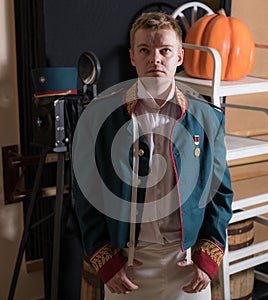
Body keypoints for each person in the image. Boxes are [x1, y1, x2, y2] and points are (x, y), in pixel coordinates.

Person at [73, 11, 233, 300]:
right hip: (126, 266)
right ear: (133, 57)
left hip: (187, 263)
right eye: (145, 50)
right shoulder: (98, 117)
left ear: (179, 57)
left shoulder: (208, 117)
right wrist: (107, 262)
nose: (155, 58)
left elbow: (220, 194)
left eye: (165, 50)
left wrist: (208, 261)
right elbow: (86, 194)